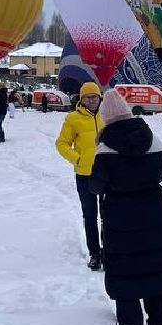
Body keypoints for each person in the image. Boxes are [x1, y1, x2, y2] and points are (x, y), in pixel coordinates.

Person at [90, 89, 162, 325]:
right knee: (154, 263)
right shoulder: (154, 141)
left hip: (120, 215)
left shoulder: (104, 149)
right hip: (154, 211)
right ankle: (159, 322)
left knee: (125, 268)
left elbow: (96, 186)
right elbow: (161, 171)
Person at [55, 83, 105, 270]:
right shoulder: (73, 118)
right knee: (90, 215)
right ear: (81, 99)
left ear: (100, 97)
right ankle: (95, 253)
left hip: (106, 174)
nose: (91, 100)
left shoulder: (107, 116)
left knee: (108, 215)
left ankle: (108, 251)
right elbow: (61, 144)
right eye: (87, 97)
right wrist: (78, 159)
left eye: (94, 96)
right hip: (85, 175)